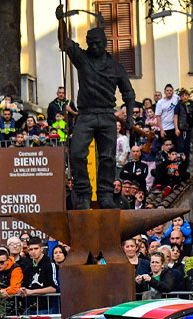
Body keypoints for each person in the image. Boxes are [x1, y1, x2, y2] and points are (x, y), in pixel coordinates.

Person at [55, 5, 136, 209]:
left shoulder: (116, 67)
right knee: (76, 154)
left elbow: (128, 93)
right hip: (86, 115)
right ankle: (83, 194)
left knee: (107, 157)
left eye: (98, 43)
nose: (94, 47)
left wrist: (130, 116)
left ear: (105, 43)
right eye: (91, 43)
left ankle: (105, 195)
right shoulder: (83, 59)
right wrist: (61, 21)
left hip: (107, 115)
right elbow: (65, 43)